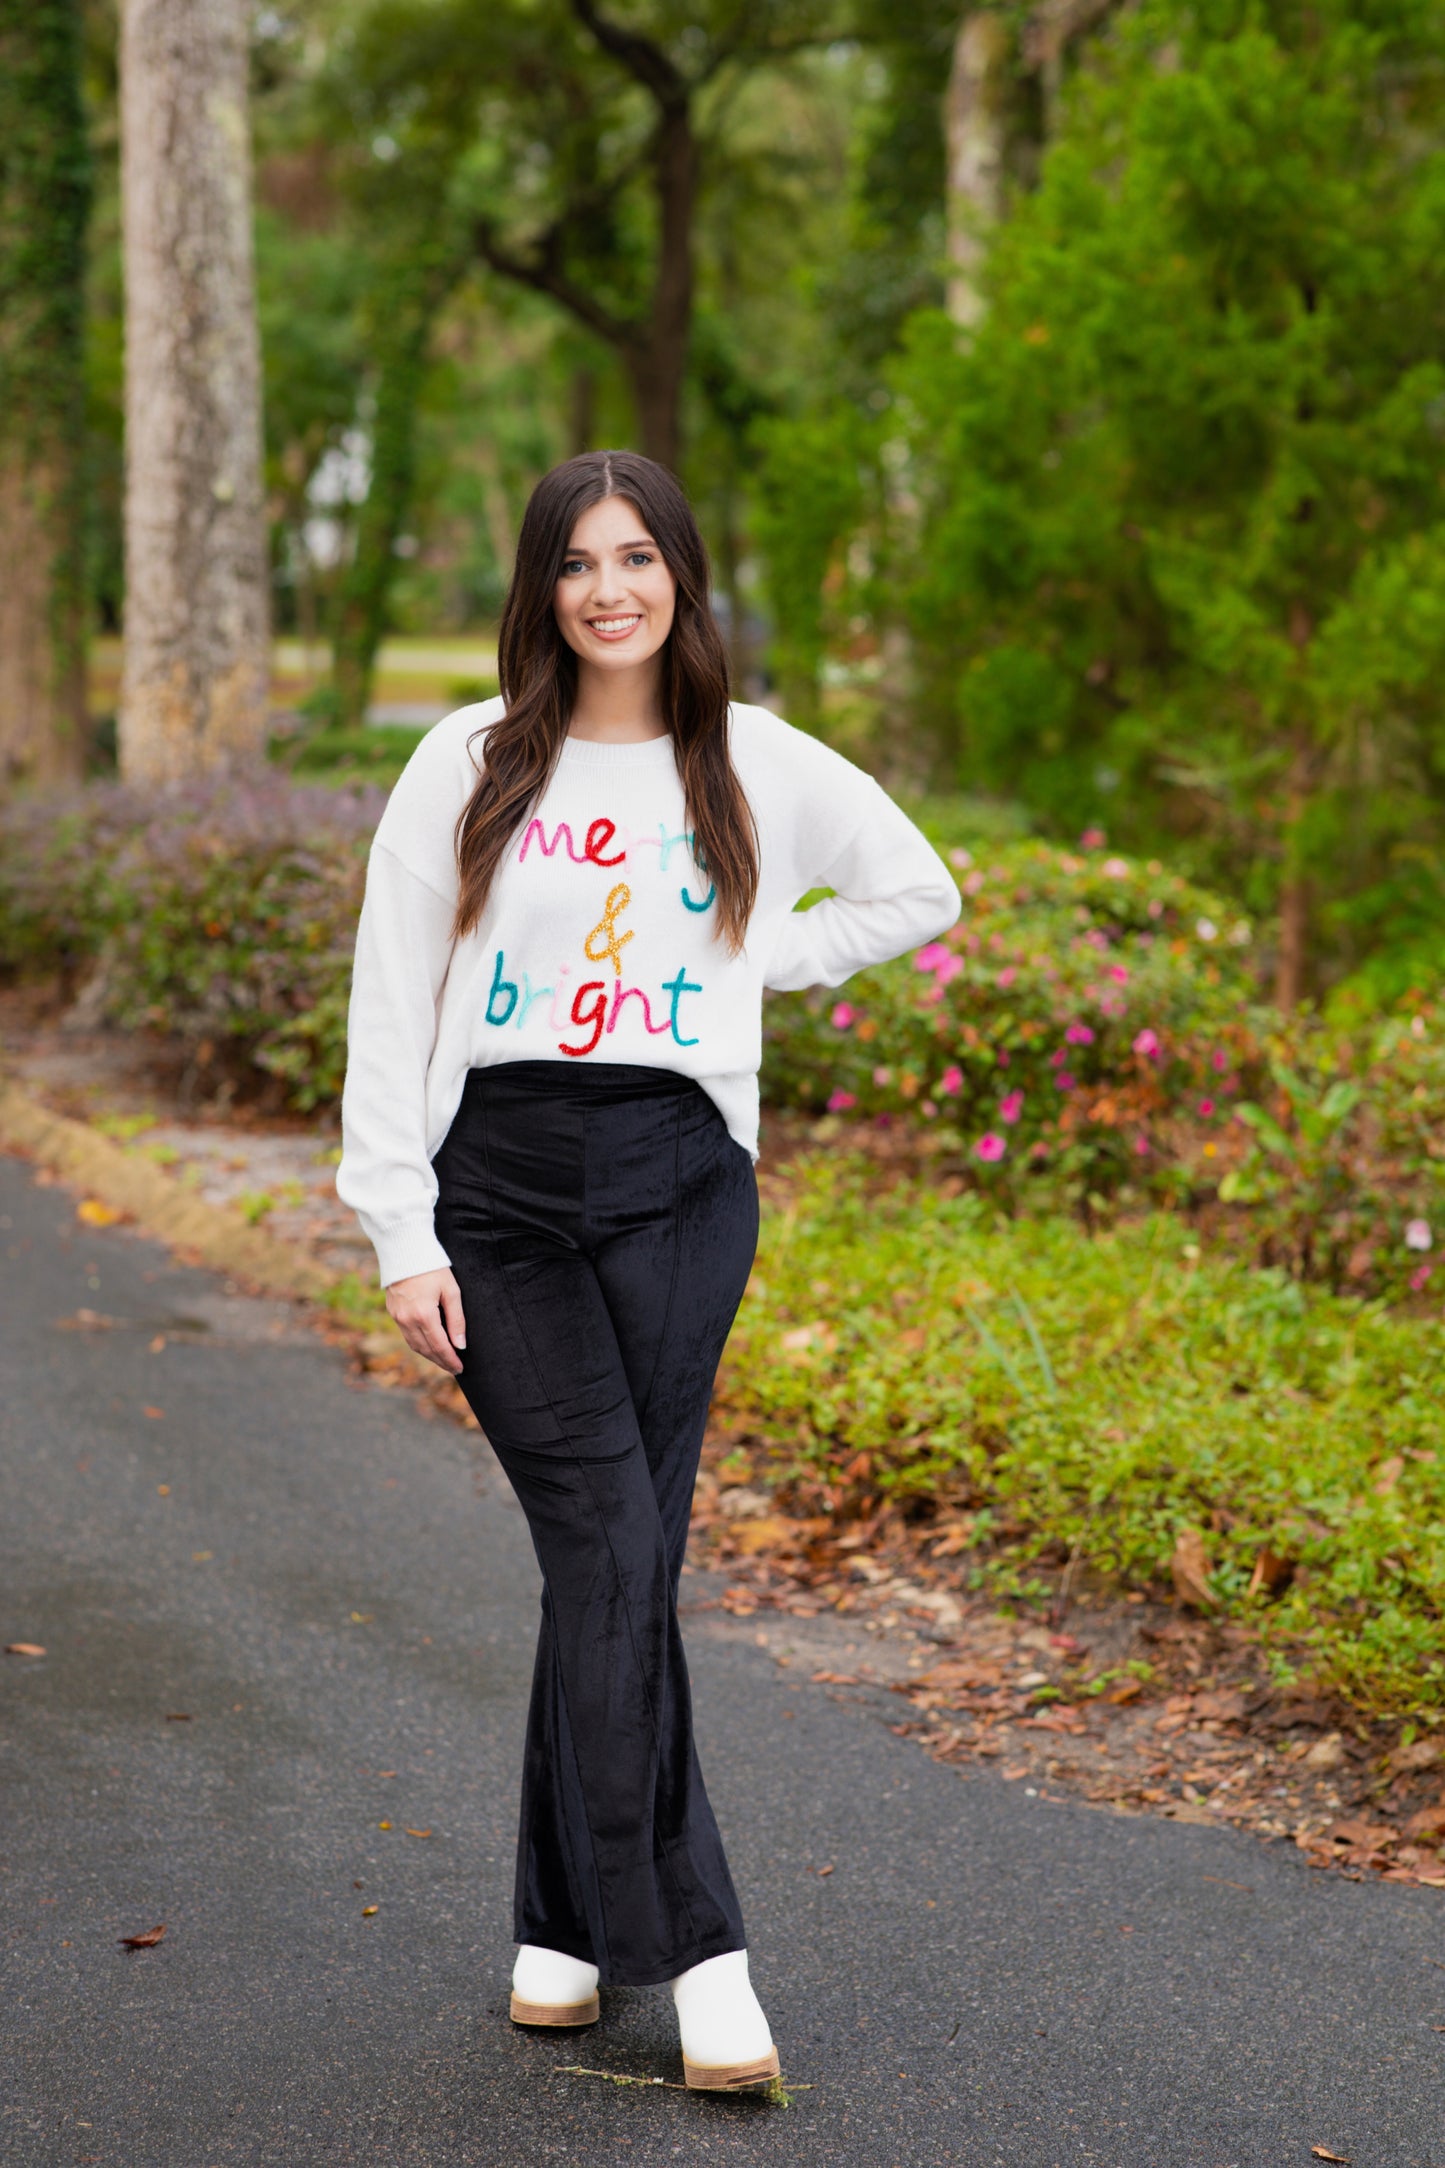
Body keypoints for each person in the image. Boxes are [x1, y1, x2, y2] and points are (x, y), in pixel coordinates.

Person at [336, 449, 960, 2090]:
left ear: (680, 574)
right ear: (538, 587)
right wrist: (399, 1226)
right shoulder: (466, 763)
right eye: (574, 562)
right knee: (611, 1553)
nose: (607, 587)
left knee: (612, 1570)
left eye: (636, 557)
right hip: (506, 1201)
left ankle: (558, 1932)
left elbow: (919, 888)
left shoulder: (746, 760)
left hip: (685, 1189)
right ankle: (698, 1954)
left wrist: (760, 970)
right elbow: (390, 1001)